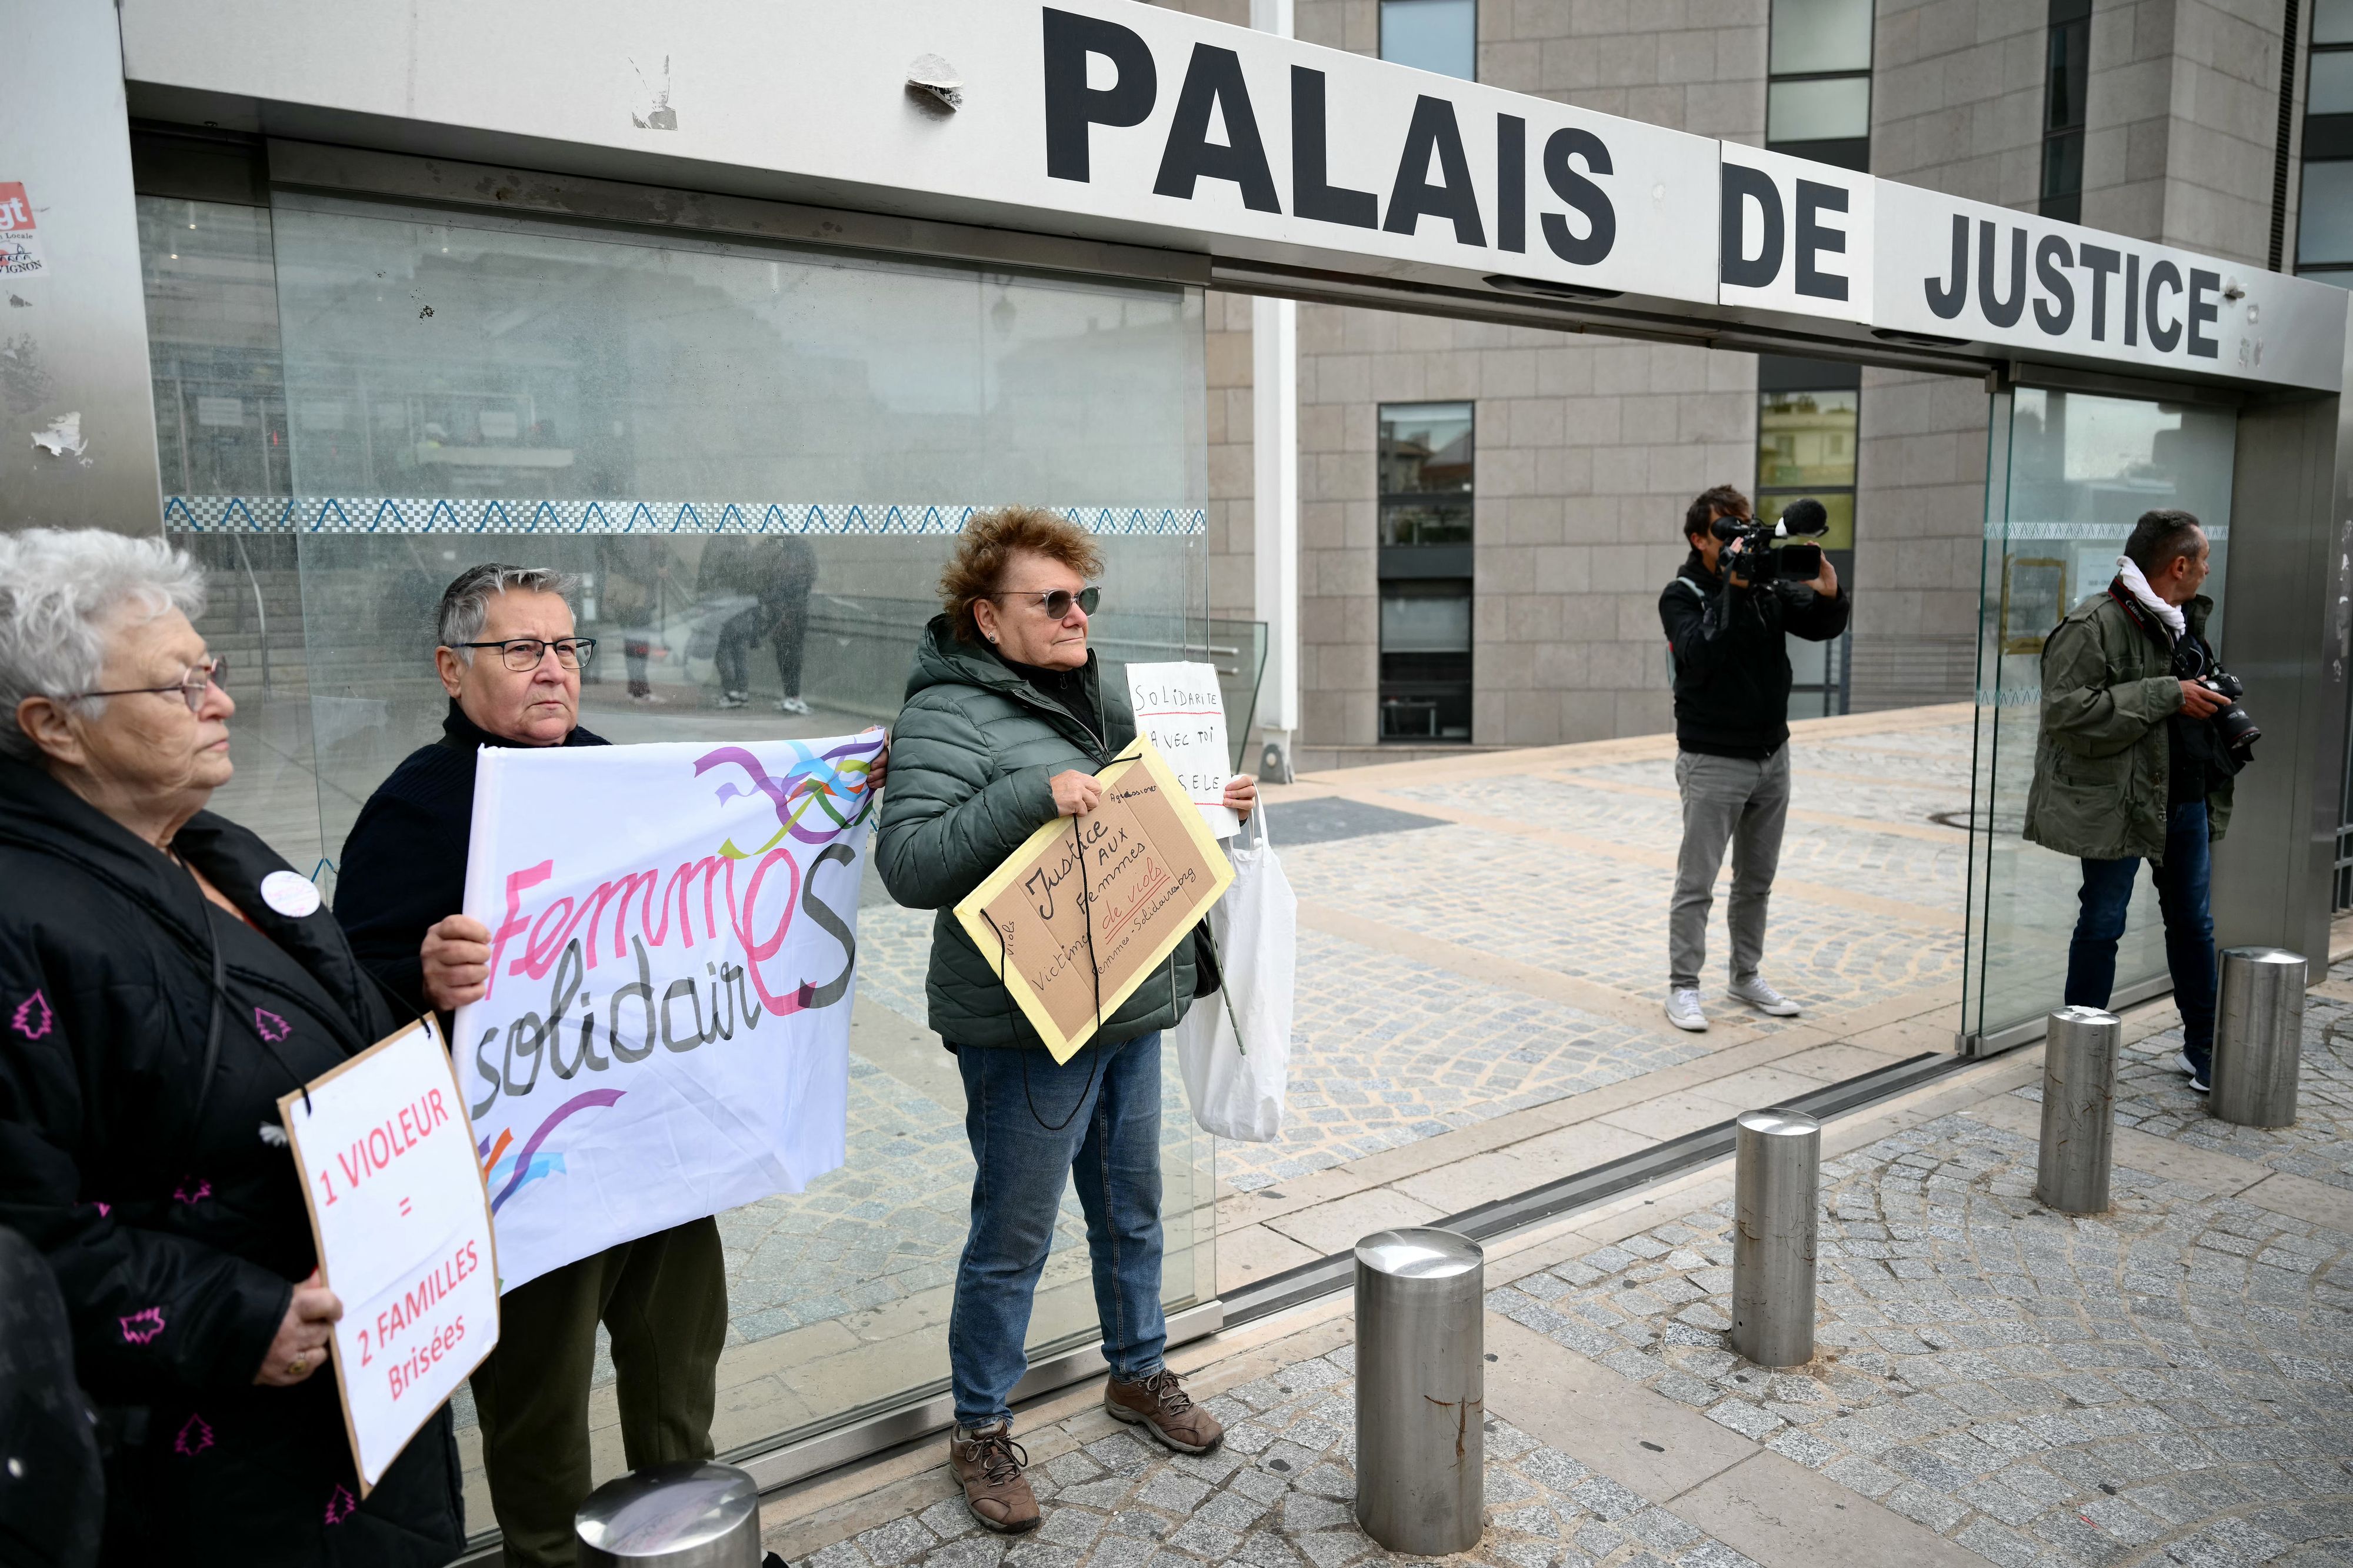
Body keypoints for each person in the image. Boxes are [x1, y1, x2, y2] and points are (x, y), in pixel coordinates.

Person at [0, 529, 463, 1566]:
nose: (225, 701)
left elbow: (321, 1045)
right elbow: (20, 1243)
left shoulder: (217, 843)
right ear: (54, 727)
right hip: (211, 1469)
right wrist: (228, 1316)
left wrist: (418, 998)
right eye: (180, 686)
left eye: (212, 670)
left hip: (365, 1408)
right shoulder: (18, 928)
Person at [334, 564, 724, 1568]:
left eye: (566, 648)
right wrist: (422, 973)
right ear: (451, 669)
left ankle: (685, 1548)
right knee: (538, 1407)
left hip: (652, 1142)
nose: (554, 671)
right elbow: (350, 994)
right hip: (523, 1171)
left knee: (678, 1371)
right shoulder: (415, 806)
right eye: (524, 650)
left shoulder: (610, 771)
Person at [878, 508, 1257, 1535]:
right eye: (1052, 600)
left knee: (1133, 1208)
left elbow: (1153, 812)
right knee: (1014, 1233)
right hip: (1026, 1023)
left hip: (1129, 992)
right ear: (987, 619)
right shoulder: (946, 714)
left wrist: (1219, 804)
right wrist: (1030, 798)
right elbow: (908, 863)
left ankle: (1138, 1372)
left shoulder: (1111, 692)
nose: (1076, 614)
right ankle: (980, 1429)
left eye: (1084, 597)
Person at [2026, 509, 2240, 1092]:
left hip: (2186, 798)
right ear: (2179, 564)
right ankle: (2080, 1050)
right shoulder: (2092, 624)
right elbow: (2065, 712)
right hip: (2120, 801)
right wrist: (2166, 693)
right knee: (2102, 921)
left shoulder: (2184, 621)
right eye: (2202, 562)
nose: (2205, 572)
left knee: (2193, 924)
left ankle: (2203, 1046)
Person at [1657, 485, 1849, 1032]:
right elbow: (1702, 656)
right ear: (1699, 538)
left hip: (1772, 754)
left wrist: (1832, 592)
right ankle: (1683, 988)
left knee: (1756, 880)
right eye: (1727, 528)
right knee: (1698, 883)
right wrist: (1734, 590)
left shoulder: (1765, 584)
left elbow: (1820, 624)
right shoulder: (1682, 593)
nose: (1741, 537)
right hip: (1713, 758)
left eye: (1746, 523)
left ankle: (1745, 975)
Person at [711, 538, 818, 713]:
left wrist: (770, 601)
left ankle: (792, 697)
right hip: (791, 611)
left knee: (788, 656)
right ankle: (792, 697)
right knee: (790, 656)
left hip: (783, 611)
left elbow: (766, 579)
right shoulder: (794, 550)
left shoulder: (779, 549)